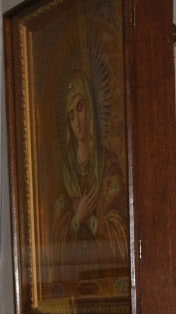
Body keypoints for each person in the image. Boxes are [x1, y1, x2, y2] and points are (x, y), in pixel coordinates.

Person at [50, 69, 129, 283]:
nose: (77, 121)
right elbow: (55, 240)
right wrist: (77, 219)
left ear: (91, 108)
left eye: (80, 108)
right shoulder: (66, 173)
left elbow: (122, 233)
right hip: (75, 282)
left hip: (106, 279)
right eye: (71, 115)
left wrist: (91, 220)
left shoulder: (108, 165)